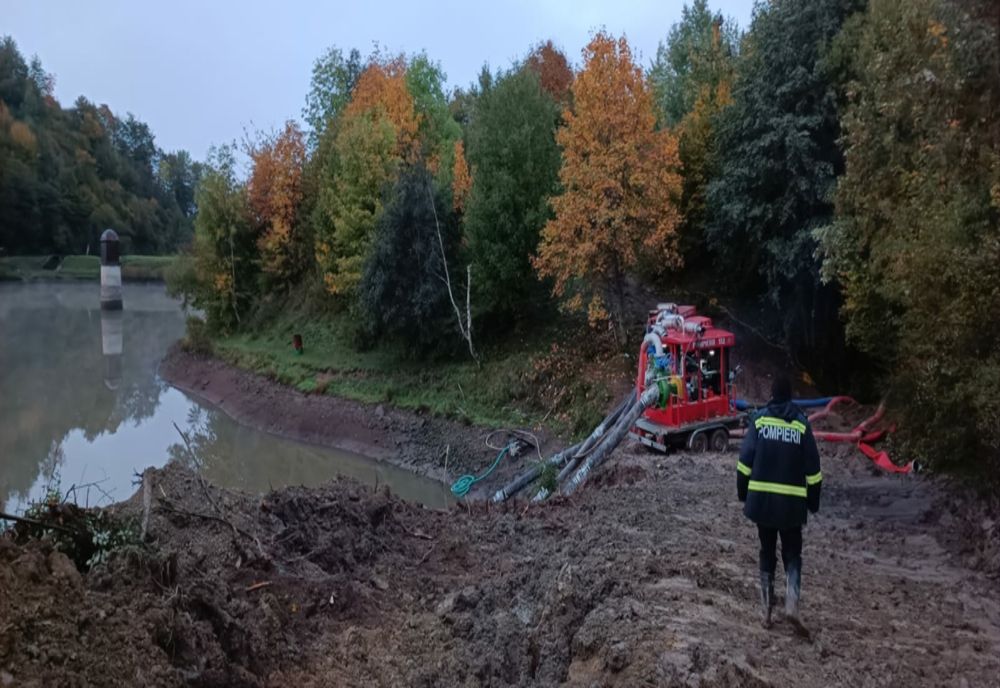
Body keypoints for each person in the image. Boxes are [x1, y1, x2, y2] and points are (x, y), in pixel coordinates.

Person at [736, 376, 822, 630]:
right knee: (793, 553)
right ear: (790, 396)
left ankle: (766, 611)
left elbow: (744, 463)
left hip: (762, 502)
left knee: (767, 551)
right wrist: (813, 503)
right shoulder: (801, 425)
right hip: (792, 506)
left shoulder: (760, 421)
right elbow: (814, 471)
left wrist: (744, 494)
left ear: (772, 395)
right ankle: (792, 604)